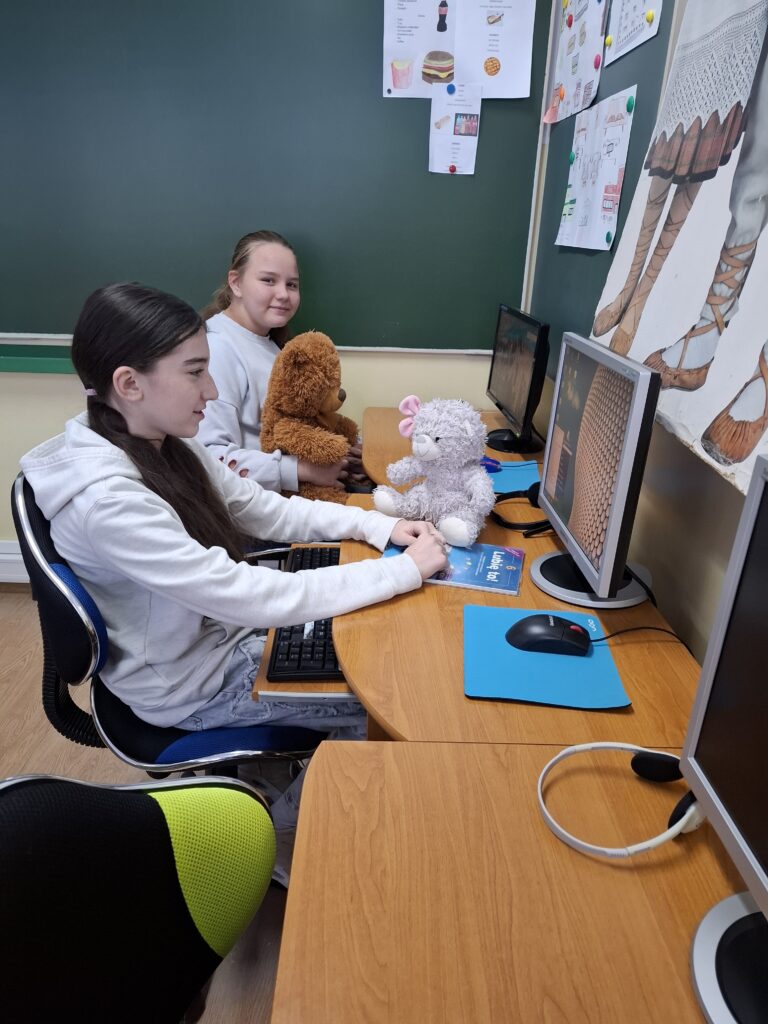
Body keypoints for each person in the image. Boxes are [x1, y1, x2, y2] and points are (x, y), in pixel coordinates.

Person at [20, 283, 448, 866]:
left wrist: (379, 527)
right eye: (196, 372)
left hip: (217, 641)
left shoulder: (157, 437)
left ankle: (283, 809)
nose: (213, 391)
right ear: (129, 383)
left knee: (378, 650)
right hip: (190, 687)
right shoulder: (109, 502)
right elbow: (246, 595)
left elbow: (262, 509)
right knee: (388, 702)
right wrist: (403, 574)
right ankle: (280, 843)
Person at [198, 229, 368, 492]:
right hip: (258, 504)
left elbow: (297, 423)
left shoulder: (273, 345)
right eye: (268, 280)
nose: (283, 294)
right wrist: (302, 470)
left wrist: (344, 453)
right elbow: (208, 457)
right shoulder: (217, 348)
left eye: (292, 284)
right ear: (236, 283)